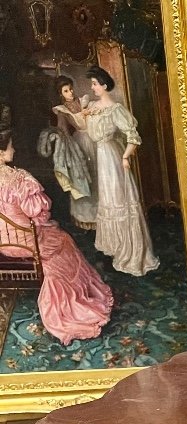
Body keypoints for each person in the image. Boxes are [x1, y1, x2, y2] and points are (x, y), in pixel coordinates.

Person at [0, 129, 113, 345]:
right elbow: (38, 212)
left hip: (3, 243)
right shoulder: (19, 178)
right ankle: (74, 302)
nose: (13, 149)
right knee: (63, 240)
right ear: (1, 152)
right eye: (10, 146)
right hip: (25, 242)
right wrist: (37, 221)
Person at [84, 66, 158, 277]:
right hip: (100, 158)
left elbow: (133, 136)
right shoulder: (92, 106)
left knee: (119, 200)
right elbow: (86, 129)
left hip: (113, 159)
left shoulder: (116, 109)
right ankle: (113, 246)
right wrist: (84, 113)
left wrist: (125, 156)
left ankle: (128, 250)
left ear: (105, 85)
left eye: (95, 84)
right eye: (92, 84)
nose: (92, 87)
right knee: (107, 200)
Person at [50, 75, 97, 229]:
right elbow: (62, 129)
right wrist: (65, 143)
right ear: (60, 94)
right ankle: (86, 217)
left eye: (71, 89)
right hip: (79, 143)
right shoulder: (62, 110)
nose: (70, 92)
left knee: (98, 177)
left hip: (94, 140)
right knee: (83, 177)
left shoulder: (83, 101)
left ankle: (102, 216)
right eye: (66, 91)